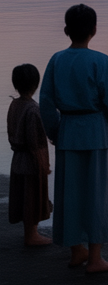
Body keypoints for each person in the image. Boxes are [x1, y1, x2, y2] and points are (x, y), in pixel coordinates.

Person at [39, 4, 108, 272]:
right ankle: (95, 256)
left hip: (68, 131)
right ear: (94, 30)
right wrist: (107, 115)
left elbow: (47, 103)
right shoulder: (101, 61)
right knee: (96, 192)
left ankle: (76, 250)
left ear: (66, 30)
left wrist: (54, 132)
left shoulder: (56, 60)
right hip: (95, 130)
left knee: (70, 192)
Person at [7, 64, 52, 246]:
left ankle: (30, 232)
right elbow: (36, 143)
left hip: (17, 158)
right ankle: (31, 234)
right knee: (31, 196)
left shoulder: (14, 104)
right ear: (36, 84)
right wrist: (43, 165)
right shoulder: (33, 110)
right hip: (30, 160)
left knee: (22, 194)